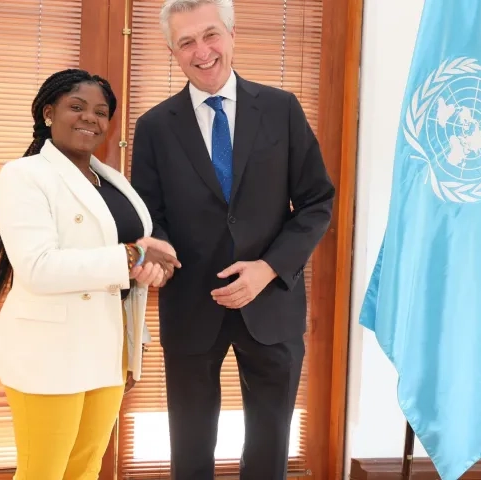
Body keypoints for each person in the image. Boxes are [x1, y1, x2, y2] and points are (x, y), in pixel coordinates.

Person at [129, 0, 336, 479]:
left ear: (233, 33)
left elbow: (316, 202)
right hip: (189, 305)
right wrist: (154, 251)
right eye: (186, 42)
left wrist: (268, 268)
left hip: (272, 303)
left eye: (211, 35)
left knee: (269, 449)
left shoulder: (282, 109)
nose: (201, 51)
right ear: (171, 50)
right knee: (190, 446)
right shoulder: (155, 127)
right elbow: (147, 214)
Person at [0, 68, 181, 480]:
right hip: (48, 353)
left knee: (85, 468)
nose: (90, 118)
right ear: (48, 112)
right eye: (77, 107)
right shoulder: (23, 176)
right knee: (44, 471)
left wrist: (148, 267)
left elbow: (128, 262)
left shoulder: (113, 181)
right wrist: (130, 255)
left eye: (101, 112)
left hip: (107, 351)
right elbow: (38, 268)